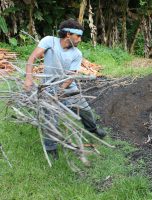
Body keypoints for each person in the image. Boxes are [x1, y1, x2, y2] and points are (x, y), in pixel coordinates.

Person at [24, 19, 106, 158]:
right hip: (48, 87)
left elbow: (70, 77)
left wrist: (60, 91)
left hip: (68, 87)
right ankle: (51, 149)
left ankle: (93, 129)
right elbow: (32, 58)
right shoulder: (49, 41)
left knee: (84, 110)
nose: (80, 39)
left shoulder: (77, 53)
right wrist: (28, 78)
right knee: (51, 119)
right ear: (68, 34)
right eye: (78, 36)